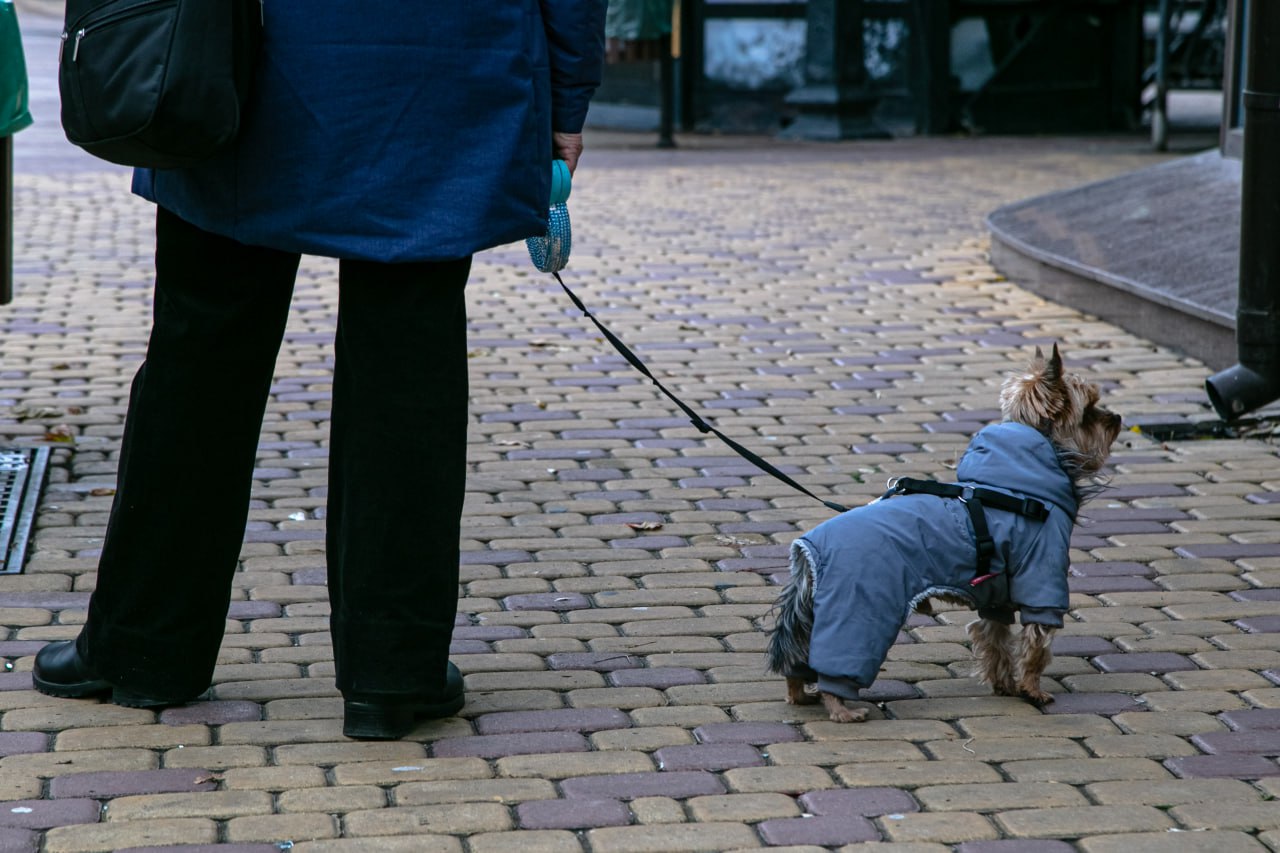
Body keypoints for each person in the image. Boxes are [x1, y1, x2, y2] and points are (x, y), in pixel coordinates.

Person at [32, 2, 608, 740]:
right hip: (443, 63)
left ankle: (144, 646)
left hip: (245, 51)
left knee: (202, 353)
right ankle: (391, 670)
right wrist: (567, 96)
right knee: (406, 370)